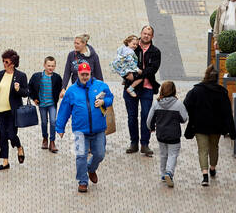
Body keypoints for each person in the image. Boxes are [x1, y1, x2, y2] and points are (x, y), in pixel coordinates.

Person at [54, 61, 114, 193]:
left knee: (100, 154)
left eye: (87, 74)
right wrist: (60, 128)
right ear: (78, 74)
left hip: (98, 130)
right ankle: (82, 181)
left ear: (90, 73)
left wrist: (104, 101)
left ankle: (91, 169)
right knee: (80, 156)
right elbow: (64, 110)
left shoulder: (100, 86)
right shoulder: (71, 91)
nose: (85, 77)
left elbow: (110, 98)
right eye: (82, 74)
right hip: (80, 131)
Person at [183, 66, 234, 186]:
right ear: (216, 78)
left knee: (202, 150)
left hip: (199, 126)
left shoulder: (196, 90)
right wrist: (231, 130)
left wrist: (193, 114)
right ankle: (212, 168)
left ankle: (204, 176)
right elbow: (227, 112)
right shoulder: (222, 92)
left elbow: (186, 104)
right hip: (216, 127)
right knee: (214, 147)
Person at [0, 49, 29, 170]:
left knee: (12, 135)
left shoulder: (20, 76)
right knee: (3, 135)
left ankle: (19, 147)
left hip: (13, 111)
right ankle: (5, 161)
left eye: (6, 61)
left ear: (12, 63)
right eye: (3, 61)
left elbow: (26, 92)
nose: (4, 63)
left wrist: (18, 89)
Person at [122, 24, 160, 156]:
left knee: (146, 116)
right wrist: (125, 76)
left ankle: (145, 144)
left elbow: (152, 70)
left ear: (152, 36)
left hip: (147, 88)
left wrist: (137, 75)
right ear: (141, 33)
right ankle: (134, 143)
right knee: (132, 116)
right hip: (130, 88)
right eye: (144, 33)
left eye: (148, 34)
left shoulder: (155, 52)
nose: (146, 36)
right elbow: (122, 63)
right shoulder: (132, 47)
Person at [147, 81, 189, 188]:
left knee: (163, 154)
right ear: (173, 90)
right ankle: (169, 173)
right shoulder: (178, 104)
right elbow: (184, 118)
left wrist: (151, 128)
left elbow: (149, 119)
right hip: (174, 135)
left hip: (161, 134)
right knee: (173, 154)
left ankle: (162, 173)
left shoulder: (157, 103)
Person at [28, 57, 64, 152]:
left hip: (52, 103)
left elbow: (62, 87)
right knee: (44, 122)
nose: (50, 68)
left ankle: (52, 141)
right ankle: (45, 138)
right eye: (48, 65)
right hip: (42, 104)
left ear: (55, 66)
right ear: (44, 65)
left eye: (52, 66)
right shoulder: (37, 76)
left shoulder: (57, 77)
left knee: (53, 121)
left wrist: (61, 93)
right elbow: (30, 87)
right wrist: (34, 98)